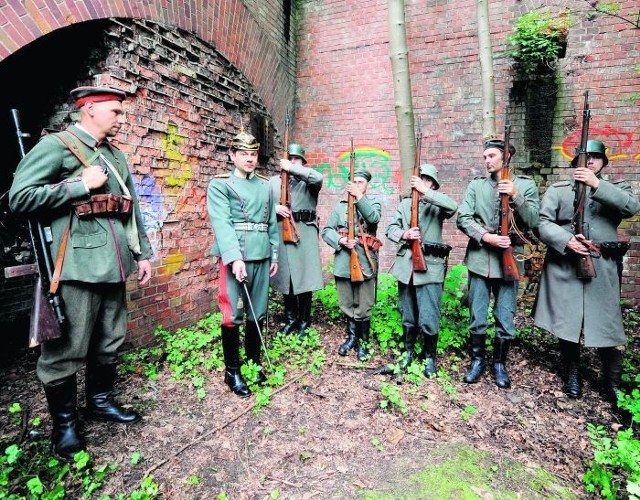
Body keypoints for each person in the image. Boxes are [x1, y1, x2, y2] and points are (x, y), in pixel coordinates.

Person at [9, 85, 153, 460]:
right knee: (66, 349)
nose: (121, 118)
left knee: (110, 338)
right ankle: (65, 425)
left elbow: (131, 209)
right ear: (89, 109)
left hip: (115, 262)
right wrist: (78, 185)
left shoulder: (114, 155)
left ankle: (100, 402)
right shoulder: (57, 146)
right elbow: (19, 197)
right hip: (74, 266)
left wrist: (143, 254)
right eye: (115, 111)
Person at [533, 139, 639, 405]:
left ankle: (611, 382)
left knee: (608, 323)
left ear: (603, 162)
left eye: (595, 157)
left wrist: (595, 185)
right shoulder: (558, 191)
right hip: (566, 263)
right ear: (575, 163)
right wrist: (565, 239)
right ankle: (572, 375)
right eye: (584, 157)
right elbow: (541, 223)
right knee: (568, 322)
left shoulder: (616, 189)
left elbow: (631, 207)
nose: (590, 161)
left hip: (602, 266)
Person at [456, 139, 539, 388]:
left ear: (507, 157)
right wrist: (485, 236)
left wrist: (515, 195)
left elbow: (534, 219)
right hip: (481, 258)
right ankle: (478, 361)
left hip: (510, 257)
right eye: (484, 157)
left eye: (491, 155)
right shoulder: (476, 186)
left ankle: (499, 364)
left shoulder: (525, 185)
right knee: (478, 314)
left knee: (505, 315)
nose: (487, 161)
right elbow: (463, 218)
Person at [207, 129, 279, 397]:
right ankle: (232, 370)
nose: (250, 159)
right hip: (235, 255)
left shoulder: (264, 185)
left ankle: (253, 363)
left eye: (253, 154)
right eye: (244, 154)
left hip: (261, 253)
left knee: (257, 310)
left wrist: (274, 254)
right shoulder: (221, 184)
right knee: (232, 314)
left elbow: (271, 222)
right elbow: (221, 222)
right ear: (232, 155)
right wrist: (234, 257)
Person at [385, 164, 458, 377]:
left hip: (430, 268)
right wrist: (405, 234)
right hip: (406, 267)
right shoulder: (405, 204)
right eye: (420, 179)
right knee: (408, 314)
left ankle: (429, 357)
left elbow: (453, 207)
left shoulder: (437, 204)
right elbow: (391, 229)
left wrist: (427, 193)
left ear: (433, 184)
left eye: (427, 179)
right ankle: (408, 352)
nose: (422, 182)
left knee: (429, 315)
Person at [321, 168, 382, 361]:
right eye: (353, 182)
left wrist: (358, 197)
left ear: (367, 185)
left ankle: (363, 342)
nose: (357, 185)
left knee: (363, 304)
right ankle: (352, 337)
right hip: (344, 261)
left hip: (365, 260)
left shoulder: (373, 204)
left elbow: (373, 218)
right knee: (346, 302)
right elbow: (327, 230)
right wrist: (340, 241)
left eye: (360, 182)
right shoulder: (340, 207)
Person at [269, 144, 324, 337]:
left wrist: (291, 168)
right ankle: (291, 319)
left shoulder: (308, 181)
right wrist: (274, 209)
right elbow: (263, 204)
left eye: (296, 159)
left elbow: (318, 177)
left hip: (304, 233)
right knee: (287, 278)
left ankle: (304, 320)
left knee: (304, 278)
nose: (292, 161)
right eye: (289, 158)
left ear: (302, 162)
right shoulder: (273, 182)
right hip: (281, 230)